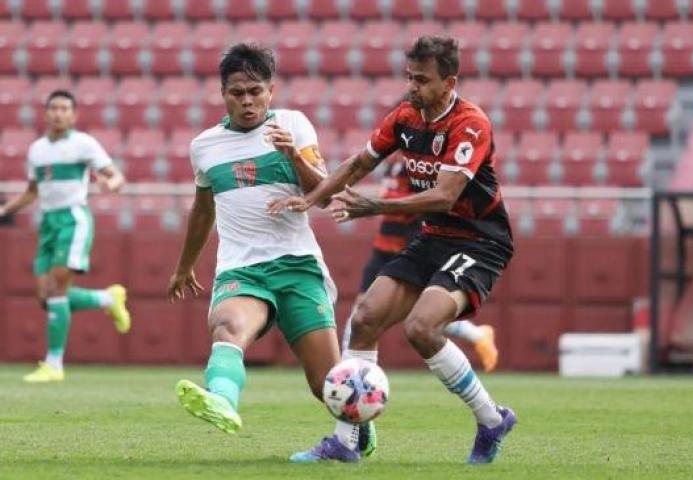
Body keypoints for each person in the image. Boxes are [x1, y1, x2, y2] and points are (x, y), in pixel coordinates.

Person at [269, 36, 516, 464]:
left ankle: (491, 418)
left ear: (449, 82)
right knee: (364, 318)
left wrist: (375, 205)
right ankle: (345, 443)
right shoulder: (405, 116)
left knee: (421, 328)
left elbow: (444, 195)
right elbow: (357, 165)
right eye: (410, 77)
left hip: (479, 240)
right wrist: (313, 198)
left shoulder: (470, 124)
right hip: (434, 237)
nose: (413, 86)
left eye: (422, 80)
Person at [167, 43, 378, 457]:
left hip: (298, 265)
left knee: (326, 385)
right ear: (222, 93)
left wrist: (291, 154)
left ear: (271, 91)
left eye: (255, 91)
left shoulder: (293, 125)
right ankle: (222, 400)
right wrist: (184, 266)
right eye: (237, 92)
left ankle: (357, 431)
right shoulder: (205, 147)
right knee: (227, 327)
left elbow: (323, 192)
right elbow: (203, 208)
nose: (247, 101)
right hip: (242, 270)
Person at [0, 90, 131, 383]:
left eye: (64, 109)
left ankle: (54, 364)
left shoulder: (83, 143)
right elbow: (32, 192)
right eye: (54, 108)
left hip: (72, 218)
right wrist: (4, 209)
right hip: (47, 223)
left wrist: (113, 182)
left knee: (57, 288)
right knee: (45, 296)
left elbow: (114, 174)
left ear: (74, 115)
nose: (59, 113)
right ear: (46, 113)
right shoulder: (36, 150)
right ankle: (107, 298)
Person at [340, 157, 499, 372]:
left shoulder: (417, 164)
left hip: (408, 248)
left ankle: (347, 370)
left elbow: (418, 202)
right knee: (363, 313)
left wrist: (380, 202)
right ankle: (346, 371)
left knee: (418, 314)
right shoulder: (393, 163)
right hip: (383, 248)